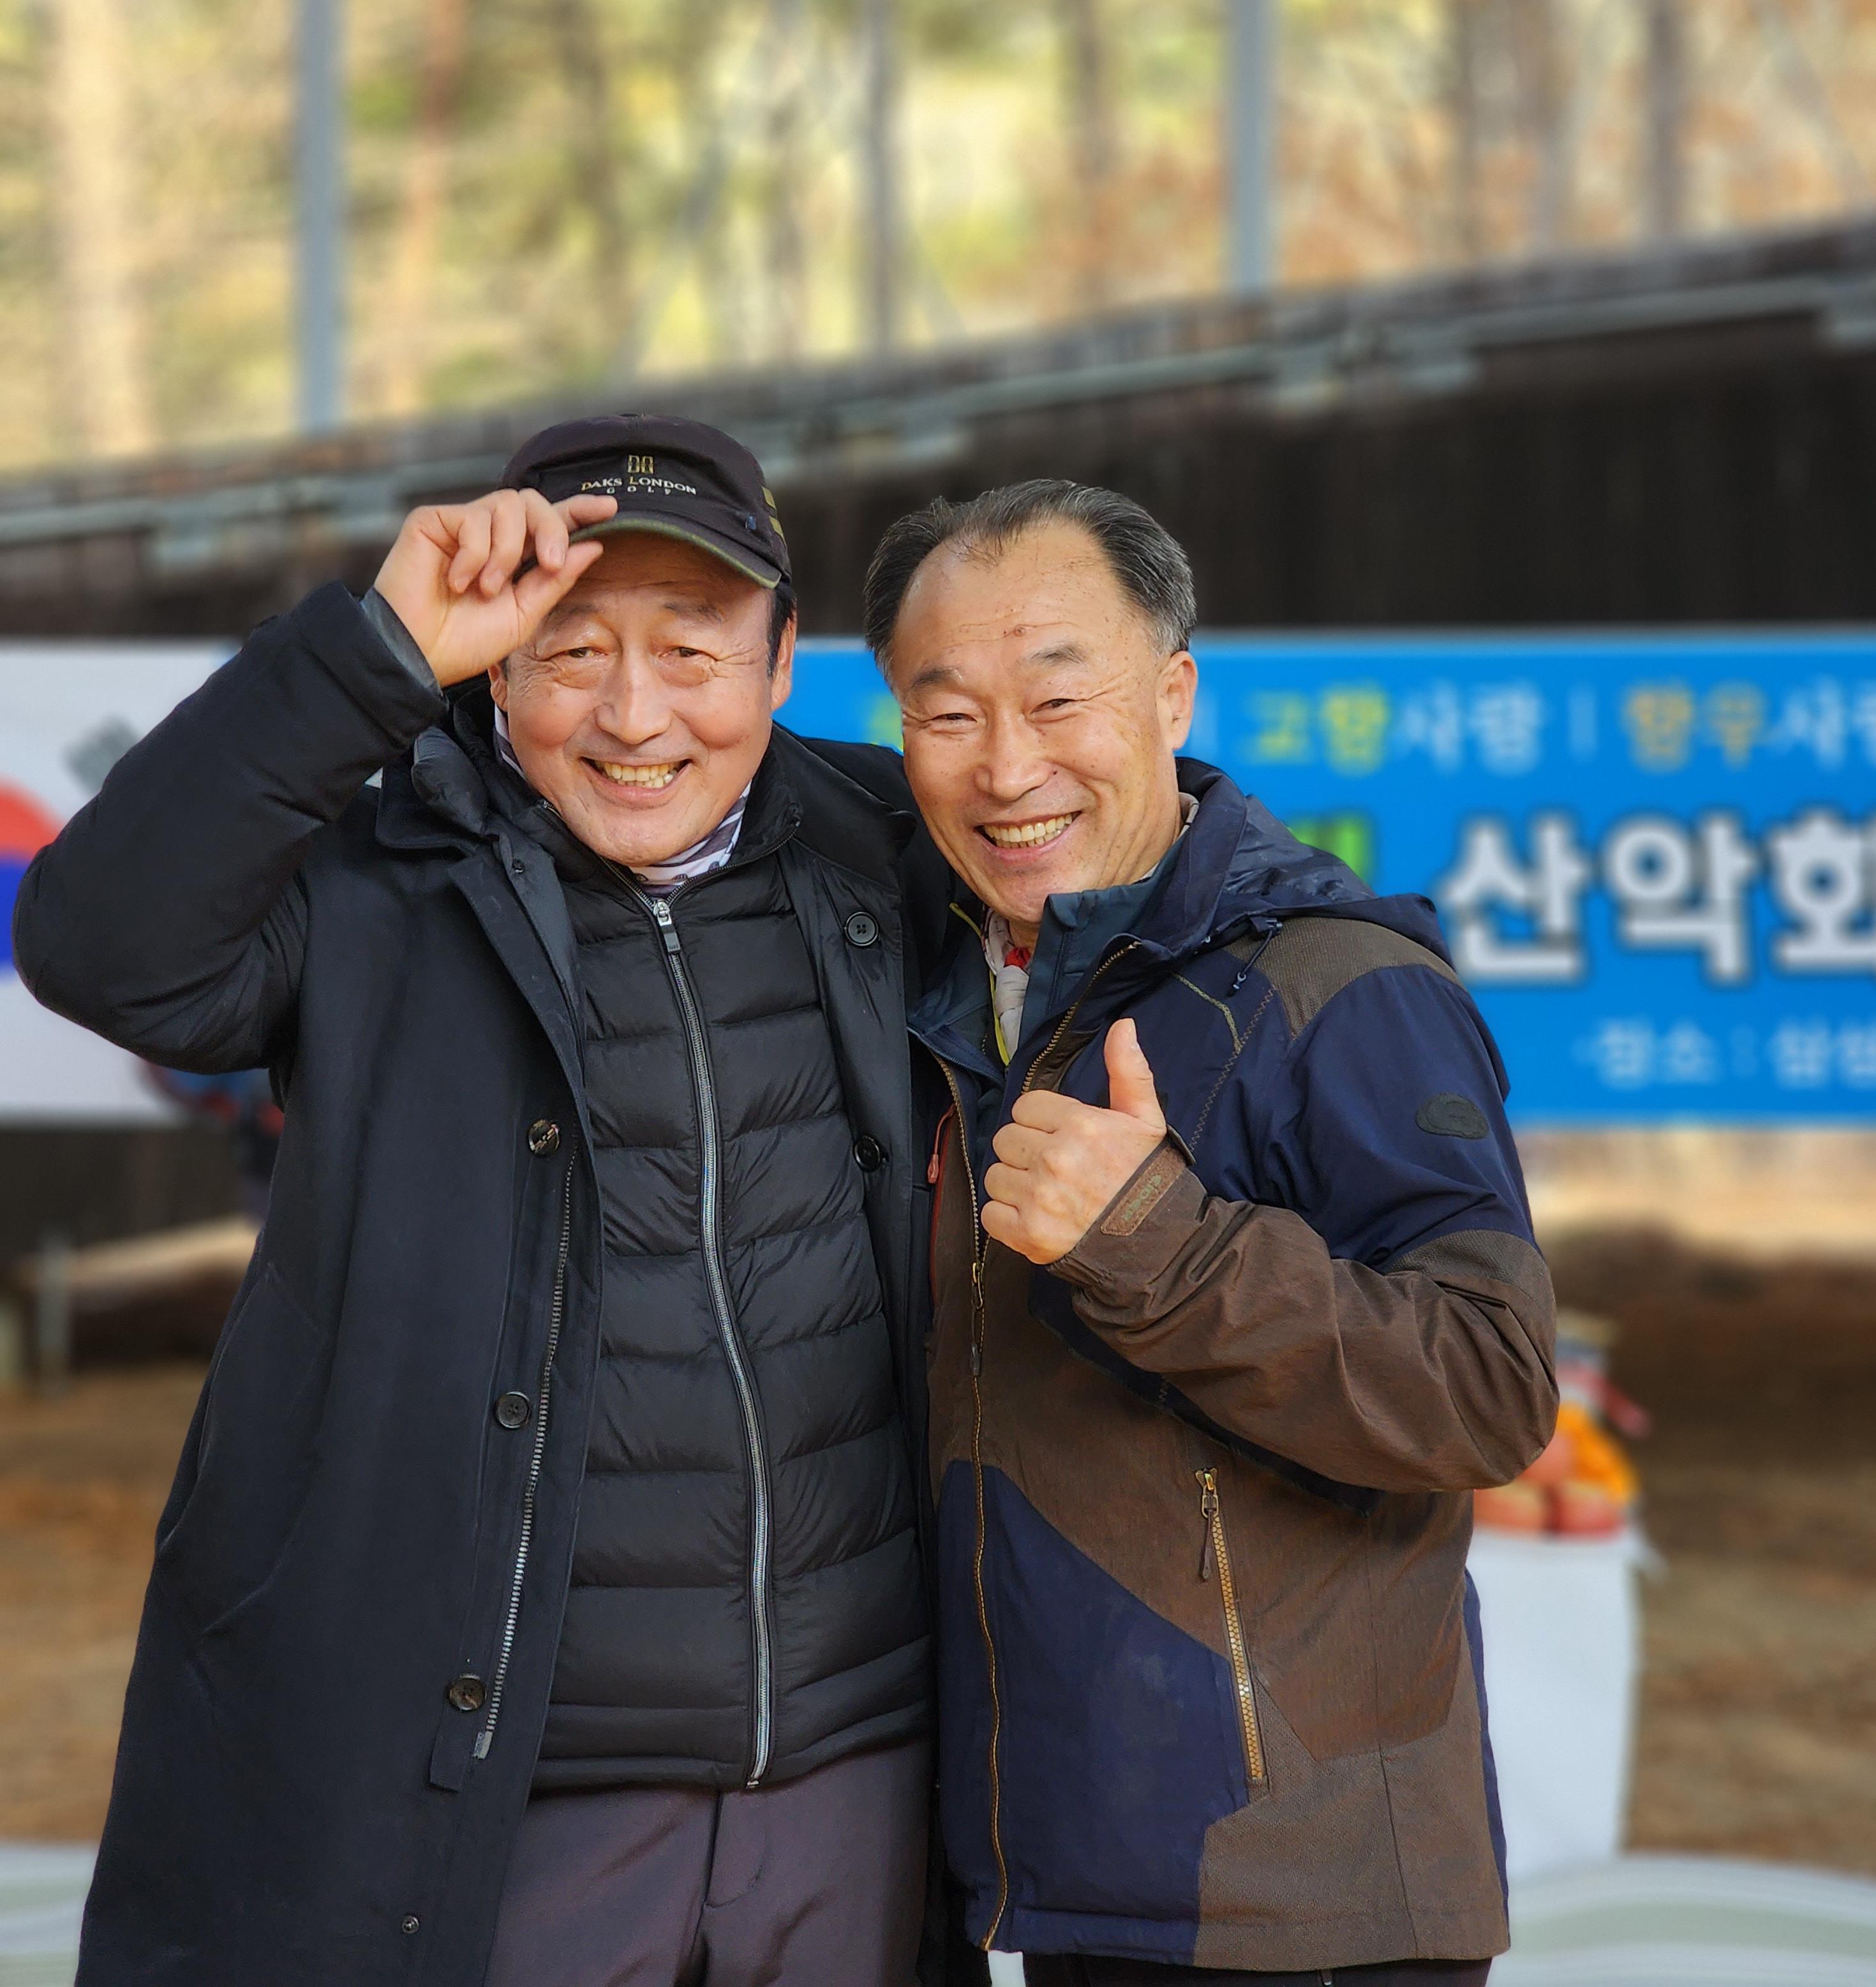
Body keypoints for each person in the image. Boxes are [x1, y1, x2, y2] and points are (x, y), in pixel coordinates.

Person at [15, 416, 956, 1987]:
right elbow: (95, 944)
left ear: (784, 658)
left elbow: (1144, 851)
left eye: (692, 647)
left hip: (854, 1775)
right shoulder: (376, 871)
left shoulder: (885, 850)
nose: (635, 713)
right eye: (572, 648)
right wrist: (370, 655)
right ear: (496, 667)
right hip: (512, 1797)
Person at [861, 478, 1558, 1987]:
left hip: (1300, 1897)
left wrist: (1158, 1244)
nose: (1009, 765)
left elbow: (1491, 1383)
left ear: (1173, 693)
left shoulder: (1339, 982)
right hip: (1070, 1869)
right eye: (949, 713)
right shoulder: (947, 984)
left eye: (1061, 698)